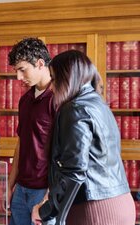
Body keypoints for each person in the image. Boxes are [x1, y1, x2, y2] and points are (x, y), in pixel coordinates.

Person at [32, 50, 135, 225]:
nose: (51, 86)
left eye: (54, 78)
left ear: (67, 78)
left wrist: (45, 211)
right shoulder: (99, 104)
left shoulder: (75, 108)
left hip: (95, 209)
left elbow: (74, 171)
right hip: (121, 201)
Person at [7, 37, 56, 225]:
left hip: (44, 191)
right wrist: (10, 185)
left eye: (22, 69)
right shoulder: (25, 100)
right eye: (16, 71)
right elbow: (21, 144)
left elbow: (63, 152)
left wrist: (49, 195)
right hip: (21, 189)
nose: (19, 77)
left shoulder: (58, 99)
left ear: (40, 63)